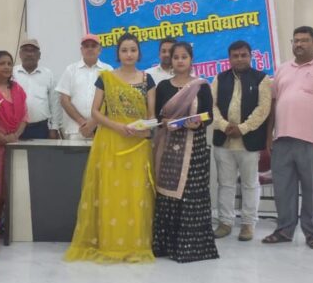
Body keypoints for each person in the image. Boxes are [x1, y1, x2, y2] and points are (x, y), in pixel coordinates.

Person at [65, 33, 156, 263]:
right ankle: (110, 243)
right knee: (111, 193)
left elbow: (151, 115)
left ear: (139, 53)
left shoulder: (148, 80)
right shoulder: (105, 78)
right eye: (124, 50)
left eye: (133, 50)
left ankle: (135, 244)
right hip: (111, 141)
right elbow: (95, 112)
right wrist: (117, 127)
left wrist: (143, 129)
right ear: (117, 54)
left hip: (137, 144)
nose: (129, 54)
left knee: (136, 194)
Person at [262, 26, 313, 250]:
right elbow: (274, 104)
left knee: (312, 190)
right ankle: (284, 230)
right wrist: (269, 135)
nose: (299, 44)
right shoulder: (282, 69)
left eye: (304, 40)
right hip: (282, 140)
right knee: (283, 189)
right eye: (296, 40)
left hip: (312, 141)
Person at [152, 42, 218, 263]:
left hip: (194, 147)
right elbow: (157, 116)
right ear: (170, 60)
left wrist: (197, 123)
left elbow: (209, 116)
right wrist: (166, 122)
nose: (180, 61)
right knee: (167, 192)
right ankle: (166, 245)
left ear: (191, 60)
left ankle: (192, 246)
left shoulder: (201, 86)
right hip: (168, 146)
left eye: (184, 57)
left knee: (191, 193)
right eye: (176, 57)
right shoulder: (163, 86)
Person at [211, 40, 272, 241]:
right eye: (235, 56)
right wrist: (223, 125)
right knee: (225, 184)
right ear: (229, 59)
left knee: (250, 184)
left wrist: (242, 128)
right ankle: (225, 222)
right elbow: (211, 106)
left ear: (250, 56)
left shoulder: (262, 79)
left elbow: (263, 109)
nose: (239, 59)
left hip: (249, 142)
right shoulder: (219, 78)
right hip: (224, 140)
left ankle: (248, 224)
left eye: (243, 55)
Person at [0, 51, 28, 213]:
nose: (6, 67)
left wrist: (15, 136)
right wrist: (1, 137)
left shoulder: (17, 89)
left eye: (9, 64)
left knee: (12, 183)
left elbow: (25, 116)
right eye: (1, 63)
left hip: (13, 143)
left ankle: (9, 220)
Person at [56, 34, 112, 140]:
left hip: (102, 128)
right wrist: (82, 122)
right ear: (81, 50)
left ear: (100, 49)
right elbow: (64, 100)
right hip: (76, 129)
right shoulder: (71, 70)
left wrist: (93, 124)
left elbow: (111, 101)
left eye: (93, 46)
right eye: (86, 46)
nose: (90, 49)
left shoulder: (108, 70)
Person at [13, 38, 61, 139]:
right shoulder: (12, 73)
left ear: (39, 55)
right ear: (20, 54)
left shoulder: (48, 74)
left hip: (41, 128)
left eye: (33, 51)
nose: (29, 54)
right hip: (15, 128)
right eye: (26, 50)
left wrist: (54, 128)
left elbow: (55, 103)